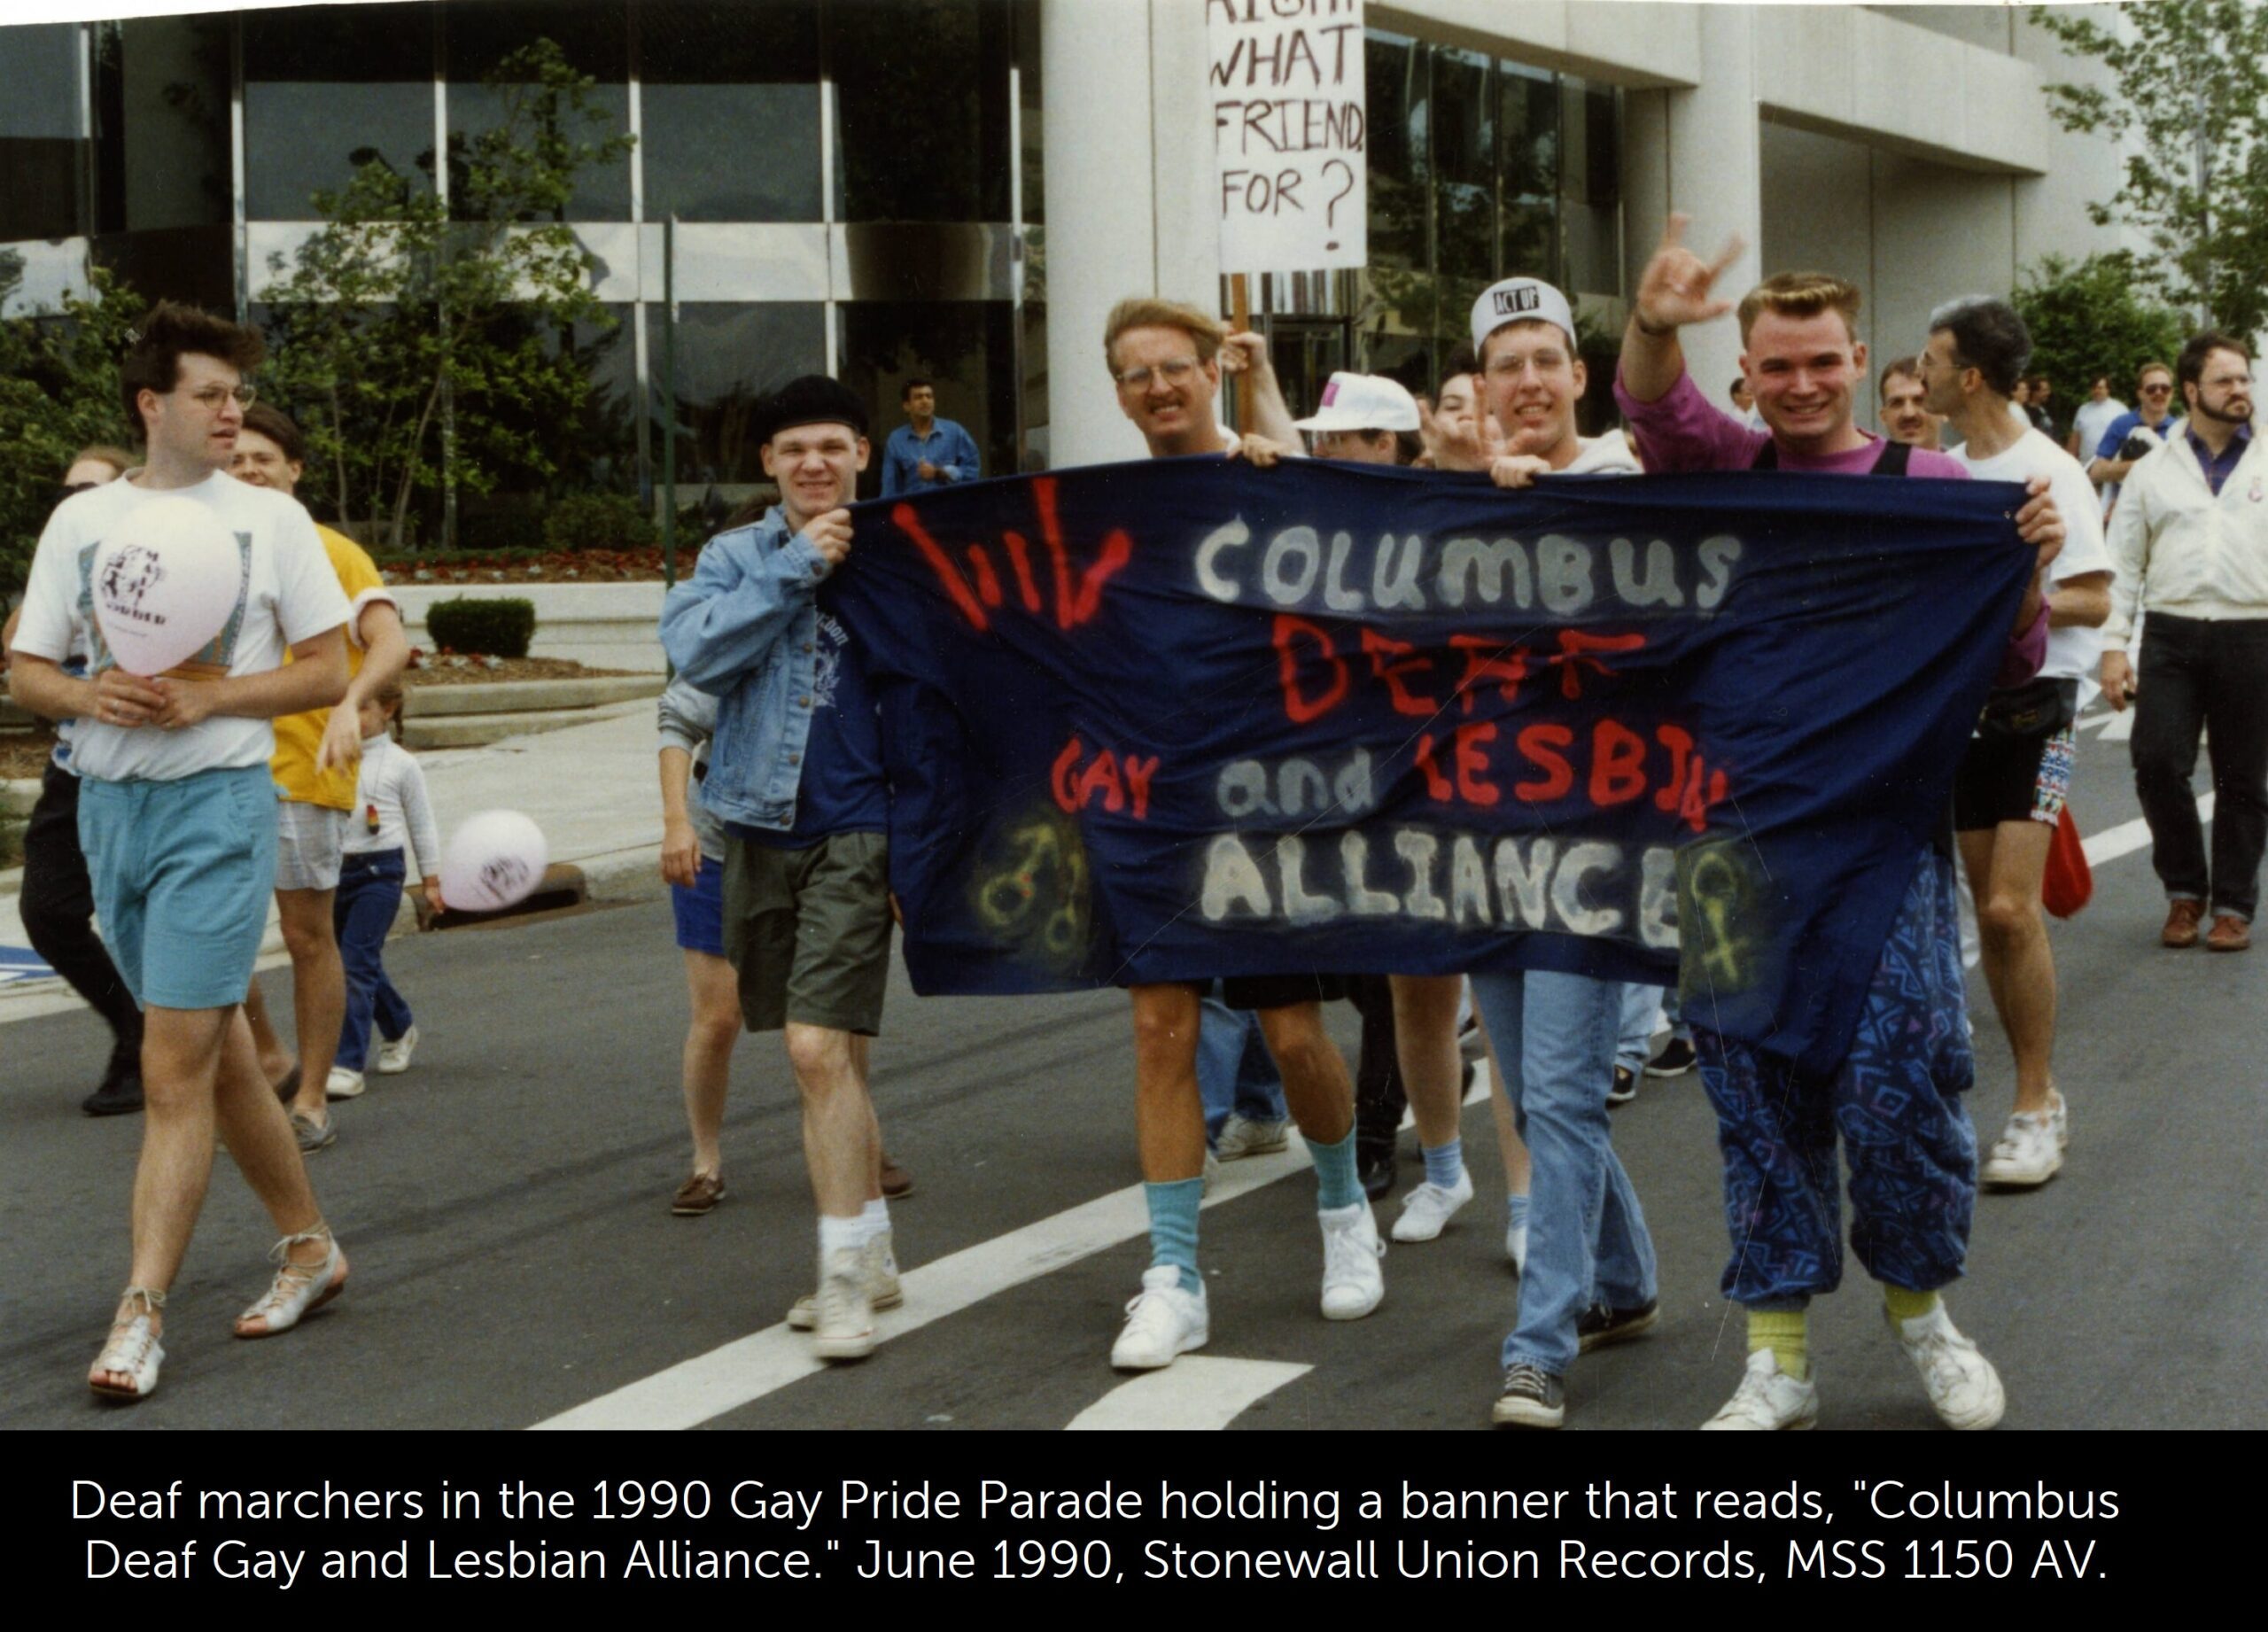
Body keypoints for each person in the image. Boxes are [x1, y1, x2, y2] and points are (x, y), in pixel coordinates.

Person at [1615, 215, 2066, 1433]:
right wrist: (1655, 319)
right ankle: (1778, 1359)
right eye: (1777, 365)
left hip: (1881, 849)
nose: (1802, 383)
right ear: (1745, 375)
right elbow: (1646, 397)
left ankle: (1924, 1316)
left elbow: (2012, 657)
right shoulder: (1718, 468)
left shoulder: (1937, 492)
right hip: (1734, 850)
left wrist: (2024, 563)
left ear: (1863, 360)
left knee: (1899, 1093)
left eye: (1823, 361)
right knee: (1755, 1103)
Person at [9, 301, 353, 1400]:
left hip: (218, 805)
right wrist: (85, 689)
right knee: (216, 1057)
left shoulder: (270, 520)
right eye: (211, 394)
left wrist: (214, 696)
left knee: (170, 1071)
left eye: (239, 395)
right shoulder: (86, 521)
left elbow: (327, 670)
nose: (232, 412)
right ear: (152, 404)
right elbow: (27, 671)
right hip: (109, 809)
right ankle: (311, 1245)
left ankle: (141, 1312)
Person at [1098, 296, 1383, 1372]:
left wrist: (1285, 467)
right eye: (1137, 375)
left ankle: (1343, 1207)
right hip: (1153, 805)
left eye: (1175, 367)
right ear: (1116, 392)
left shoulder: (1268, 481)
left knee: (1294, 1034)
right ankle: (1173, 1274)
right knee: (1160, 1032)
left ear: (1211, 371)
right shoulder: (1103, 509)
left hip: (1269, 801)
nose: (1159, 388)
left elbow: (1369, 572)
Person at [1449, 275, 1661, 1429]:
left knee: (1566, 1097)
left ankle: (1539, 1347)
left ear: (1580, 375)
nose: (1528, 381)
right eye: (1507, 364)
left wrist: (1541, 511)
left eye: (1547, 359)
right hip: (1486, 843)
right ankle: (1623, 1283)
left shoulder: (1632, 482)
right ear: (1483, 385)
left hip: (1596, 838)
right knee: (1537, 1097)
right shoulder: (1459, 499)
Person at [660, 375, 904, 1362]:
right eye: (794, 448)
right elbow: (691, 656)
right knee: (821, 1056)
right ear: (767, 463)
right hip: (755, 825)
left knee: (813, 1047)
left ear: (862, 455)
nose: (814, 463)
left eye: (833, 447)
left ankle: (841, 1275)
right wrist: (794, 569)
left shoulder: (900, 551)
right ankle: (875, 1258)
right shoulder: (733, 557)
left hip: (862, 828)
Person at [1919, 297, 2113, 1189]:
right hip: (1966, 708)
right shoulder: (1945, 470)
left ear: (1967, 376)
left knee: (2006, 908)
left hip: (2044, 702)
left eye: (1929, 360)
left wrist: (2007, 601)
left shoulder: (2051, 469)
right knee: (1988, 917)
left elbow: (2093, 598)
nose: (1915, 374)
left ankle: (2036, 1104)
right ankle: (2024, 1099)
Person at [655, 670, 916, 1219]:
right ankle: (706, 1160)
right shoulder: (743, 616)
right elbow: (679, 717)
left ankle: (860, 1145)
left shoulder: (852, 620)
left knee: (834, 1014)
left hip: (824, 841)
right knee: (718, 1016)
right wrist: (676, 821)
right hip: (721, 846)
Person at [227, 403, 410, 1131]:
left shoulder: (331, 550)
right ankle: (271, 1057)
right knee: (216, 936)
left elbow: (390, 641)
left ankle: (309, 1100)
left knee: (308, 938)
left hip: (305, 769)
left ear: (294, 469)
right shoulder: (210, 545)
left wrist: (352, 703)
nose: (248, 472)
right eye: (235, 460)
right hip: (218, 768)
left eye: (263, 460)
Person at [2100, 332, 2263, 953]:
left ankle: (2232, 906)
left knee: (2245, 778)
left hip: (2253, 631)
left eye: (2244, 379)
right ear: (2192, 391)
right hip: (2170, 631)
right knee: (2158, 761)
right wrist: (2115, 648)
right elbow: (2125, 563)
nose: (2240, 390)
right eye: (2225, 381)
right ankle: (2185, 891)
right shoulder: (2153, 471)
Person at [2, 446, 145, 1114]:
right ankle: (133, 1027)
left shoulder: (152, 554)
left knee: (146, 921)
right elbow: (19, 654)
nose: (75, 500)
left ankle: (222, 1055)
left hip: (149, 769)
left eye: (90, 489)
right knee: (48, 913)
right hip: (75, 766)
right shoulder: (63, 559)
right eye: (68, 492)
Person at [330, 679, 439, 1086]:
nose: (351, 718)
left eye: (361, 708)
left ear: (387, 710)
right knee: (353, 961)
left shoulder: (401, 764)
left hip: (380, 872)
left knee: (354, 962)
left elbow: (422, 823)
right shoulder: (330, 752)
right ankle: (399, 1027)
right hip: (334, 872)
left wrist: (431, 880)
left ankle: (347, 1063)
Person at [2087, 359, 2182, 513]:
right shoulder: (2121, 424)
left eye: (2165, 388)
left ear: (2172, 393)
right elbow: (2097, 471)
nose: (2159, 393)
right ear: (2140, 394)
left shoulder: (2181, 431)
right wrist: (2145, 465)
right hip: (2124, 511)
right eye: (2152, 389)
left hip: (2166, 514)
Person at [878, 378, 981, 498]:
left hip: (949, 508)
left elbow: (972, 471)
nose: (925, 401)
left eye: (929, 396)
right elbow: (890, 487)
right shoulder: (896, 440)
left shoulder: (954, 432)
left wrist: (940, 473)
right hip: (914, 512)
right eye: (918, 397)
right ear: (906, 406)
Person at [1880, 356, 1945, 451]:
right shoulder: (1869, 466)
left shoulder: (1962, 466)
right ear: (1884, 417)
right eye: (1897, 403)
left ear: (1944, 411)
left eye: (1919, 400)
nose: (1909, 413)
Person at [2068, 374, 2127, 467]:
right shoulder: (2083, 409)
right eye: (2094, 388)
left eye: (2100, 388)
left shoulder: (2120, 409)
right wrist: (2070, 461)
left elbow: (2127, 438)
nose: (2097, 391)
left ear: (2108, 390)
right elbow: (2075, 438)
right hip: (2085, 466)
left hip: (2110, 466)